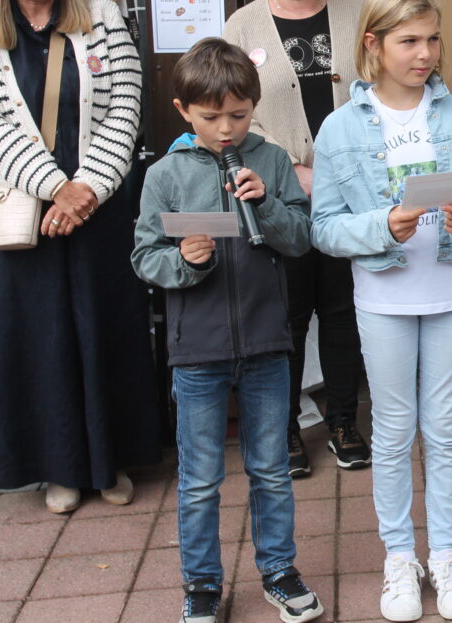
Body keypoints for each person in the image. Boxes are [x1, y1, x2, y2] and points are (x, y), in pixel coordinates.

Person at [310, 0, 452, 622]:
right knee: (393, 431)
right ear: (374, 43)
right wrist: (380, 228)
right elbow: (323, 227)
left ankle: (446, 555)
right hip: (383, 297)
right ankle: (400, 558)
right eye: (409, 40)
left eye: (432, 39)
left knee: (444, 428)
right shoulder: (340, 128)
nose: (425, 53)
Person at [0, 0, 159, 512]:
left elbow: (127, 104)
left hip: (99, 207)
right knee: (40, 338)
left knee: (107, 330)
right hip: (27, 211)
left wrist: (88, 188)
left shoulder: (100, 15)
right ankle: (59, 469)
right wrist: (55, 187)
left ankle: (110, 461)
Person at [132, 38, 324, 623]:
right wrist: (184, 262)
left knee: (270, 468)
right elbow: (145, 257)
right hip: (198, 352)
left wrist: (266, 203)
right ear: (183, 110)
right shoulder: (164, 175)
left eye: (238, 115)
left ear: (254, 106)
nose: (226, 128)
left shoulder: (267, 160)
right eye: (211, 117)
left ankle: (279, 571)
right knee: (198, 478)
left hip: (267, 342)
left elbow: (299, 238)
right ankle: (202, 584)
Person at [222, 0, 369, 478]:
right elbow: (235, 112)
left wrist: (334, 172)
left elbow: (378, 93)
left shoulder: (358, 14)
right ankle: (282, 427)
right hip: (277, 193)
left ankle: (342, 420)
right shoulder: (241, 26)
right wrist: (292, 172)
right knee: (286, 315)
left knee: (341, 311)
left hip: (351, 191)